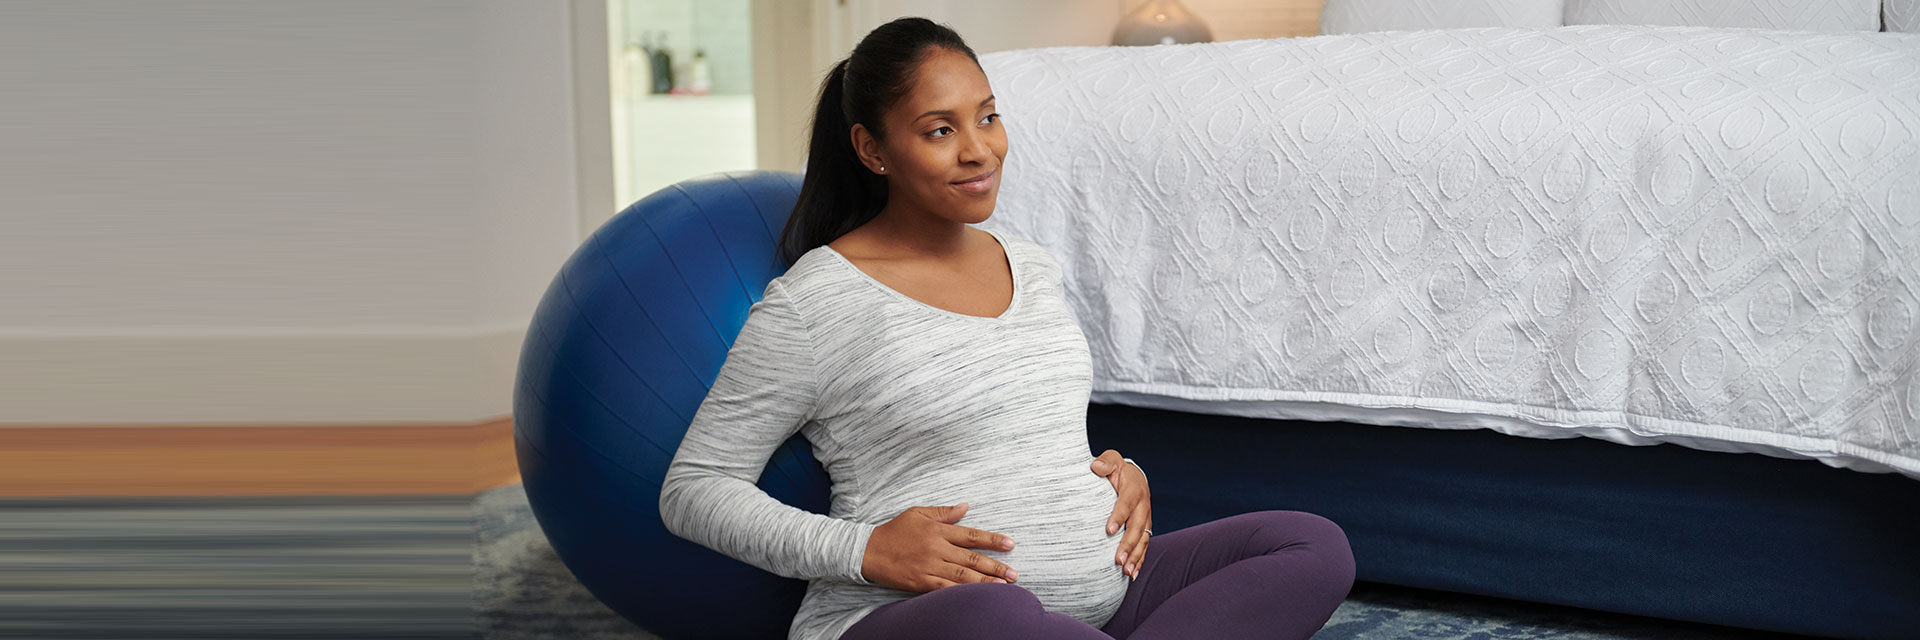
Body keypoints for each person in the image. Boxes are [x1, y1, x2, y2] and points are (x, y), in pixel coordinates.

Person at [658, 16, 1355, 640]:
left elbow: (1027, 430)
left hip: (1108, 599)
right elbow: (694, 489)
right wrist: (866, 549)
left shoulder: (1030, 264)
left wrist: (1124, 472)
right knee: (1000, 614)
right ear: (873, 150)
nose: (980, 150)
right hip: (920, 617)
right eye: (940, 130)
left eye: (987, 117)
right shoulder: (817, 299)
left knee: (1312, 545)